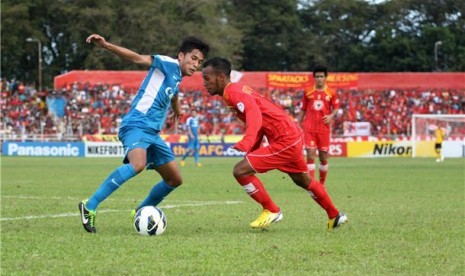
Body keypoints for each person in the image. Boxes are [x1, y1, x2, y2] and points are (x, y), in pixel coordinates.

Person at [78, 34, 209, 233]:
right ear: (181, 56)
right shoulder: (166, 63)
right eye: (193, 58)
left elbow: (173, 93)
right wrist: (105, 45)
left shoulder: (176, 77)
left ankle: (141, 211)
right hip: (136, 124)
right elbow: (137, 58)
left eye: (199, 62)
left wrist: (177, 109)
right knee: (137, 164)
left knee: (174, 179)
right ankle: (90, 206)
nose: (195, 64)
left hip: (153, 133)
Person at [201, 57, 347, 230]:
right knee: (303, 180)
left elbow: (254, 113)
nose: (204, 83)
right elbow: (260, 122)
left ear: (221, 77)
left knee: (240, 171)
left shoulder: (233, 92)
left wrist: (247, 141)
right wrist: (252, 149)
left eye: (207, 78)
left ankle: (271, 210)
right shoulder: (233, 91)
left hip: (285, 139)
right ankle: (335, 215)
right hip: (290, 135)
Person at [297, 65, 340, 185]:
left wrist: (331, 116)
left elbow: (336, 107)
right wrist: (297, 123)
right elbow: (303, 109)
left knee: (323, 157)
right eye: (317, 77)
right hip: (309, 128)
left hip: (324, 129)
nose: (319, 79)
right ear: (314, 78)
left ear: (325, 77)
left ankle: (321, 183)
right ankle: (312, 183)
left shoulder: (331, 92)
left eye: (321, 76)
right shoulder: (308, 91)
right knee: (310, 154)